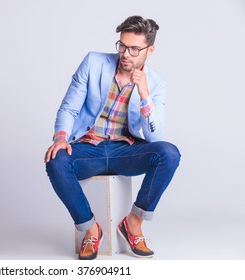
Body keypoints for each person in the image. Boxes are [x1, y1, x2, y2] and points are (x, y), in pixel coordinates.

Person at [44, 15, 181, 260]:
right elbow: (69, 107)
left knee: (169, 153)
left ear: (150, 49)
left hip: (125, 151)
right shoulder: (93, 62)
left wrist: (145, 95)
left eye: (134, 49)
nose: (125, 54)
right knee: (55, 159)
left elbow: (154, 135)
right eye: (122, 45)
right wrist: (61, 137)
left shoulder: (156, 83)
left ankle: (134, 223)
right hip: (89, 149)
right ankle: (90, 228)